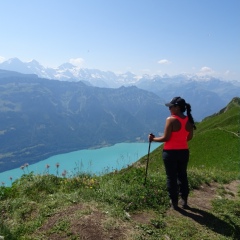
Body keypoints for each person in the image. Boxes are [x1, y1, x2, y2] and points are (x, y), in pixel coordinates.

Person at [149, 96, 196, 210]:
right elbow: (188, 137)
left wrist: (152, 139)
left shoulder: (171, 119)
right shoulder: (189, 120)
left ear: (177, 107)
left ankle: (174, 202)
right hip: (184, 152)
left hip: (170, 153)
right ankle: (184, 200)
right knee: (182, 175)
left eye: (171, 106)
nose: (169, 109)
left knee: (171, 177)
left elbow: (166, 138)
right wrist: (180, 141)